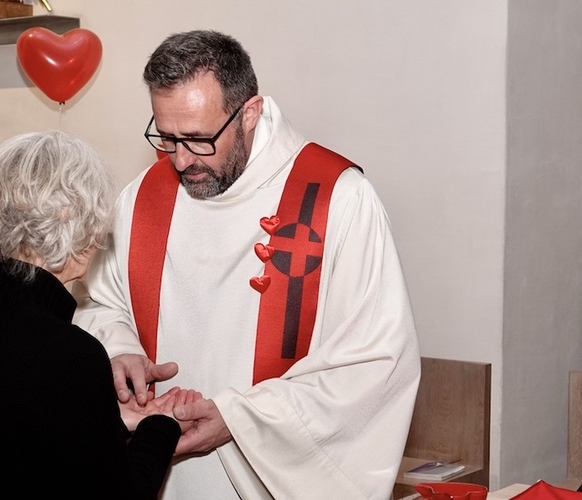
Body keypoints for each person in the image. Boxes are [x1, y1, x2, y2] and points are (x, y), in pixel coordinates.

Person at [73, 30, 421, 499]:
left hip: (267, 480)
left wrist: (238, 419)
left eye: (198, 139)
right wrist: (118, 349)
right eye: (167, 137)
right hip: (157, 473)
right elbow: (99, 301)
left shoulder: (338, 201)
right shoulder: (142, 198)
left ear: (250, 113)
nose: (180, 160)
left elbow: (373, 366)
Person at [0, 131, 199, 499]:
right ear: (72, 219)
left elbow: (12, 451)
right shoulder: (70, 354)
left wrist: (109, 424)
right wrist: (161, 426)